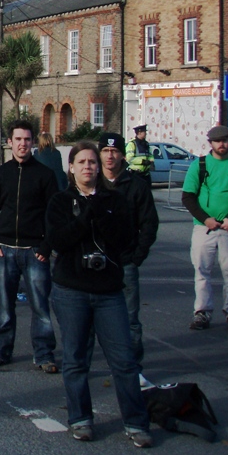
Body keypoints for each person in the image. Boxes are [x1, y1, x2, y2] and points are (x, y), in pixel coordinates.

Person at [46, 141, 152, 447]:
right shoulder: (60, 201)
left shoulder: (115, 200)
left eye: (92, 162)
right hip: (72, 291)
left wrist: (100, 212)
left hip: (108, 293)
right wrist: (83, 218)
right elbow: (59, 240)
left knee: (124, 360)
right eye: (81, 162)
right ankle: (80, 418)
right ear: (71, 167)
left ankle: (136, 421)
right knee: (76, 359)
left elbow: (123, 240)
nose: (88, 167)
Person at [0, 118, 59, 371]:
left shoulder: (45, 175)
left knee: (40, 308)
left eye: (27, 139)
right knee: (5, 307)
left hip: (35, 252)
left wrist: (46, 247)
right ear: (10, 142)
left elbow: (54, 214)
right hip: (5, 251)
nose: (23, 144)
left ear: (33, 142)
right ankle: (1, 351)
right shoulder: (1, 173)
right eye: (18, 139)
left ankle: (45, 354)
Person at [182, 125, 228, 333]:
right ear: (210, 143)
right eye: (217, 141)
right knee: (201, 271)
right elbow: (188, 196)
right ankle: (202, 312)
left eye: (225, 140)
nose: (221, 144)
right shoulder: (200, 165)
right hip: (203, 229)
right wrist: (205, 219)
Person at [98, 132, 158, 373]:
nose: (110, 155)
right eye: (105, 151)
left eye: (114, 151)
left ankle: (133, 366)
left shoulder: (136, 185)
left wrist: (137, 256)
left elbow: (149, 223)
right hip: (96, 264)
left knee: (130, 319)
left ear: (122, 154)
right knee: (92, 319)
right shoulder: (91, 182)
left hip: (125, 263)